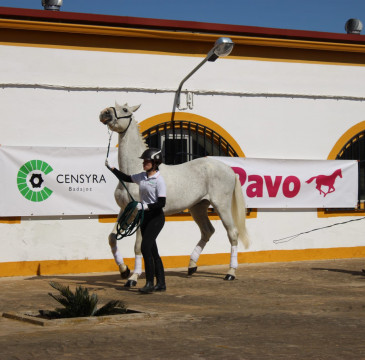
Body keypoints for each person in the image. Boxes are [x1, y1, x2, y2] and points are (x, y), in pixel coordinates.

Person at [105, 148, 167, 293]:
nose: (144, 163)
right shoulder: (142, 177)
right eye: (144, 161)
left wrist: (145, 206)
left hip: (156, 217)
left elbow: (162, 203)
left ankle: (150, 283)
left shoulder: (159, 180)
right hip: (145, 218)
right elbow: (126, 178)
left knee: (145, 247)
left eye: (147, 161)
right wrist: (112, 168)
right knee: (153, 250)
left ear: (155, 163)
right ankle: (161, 283)